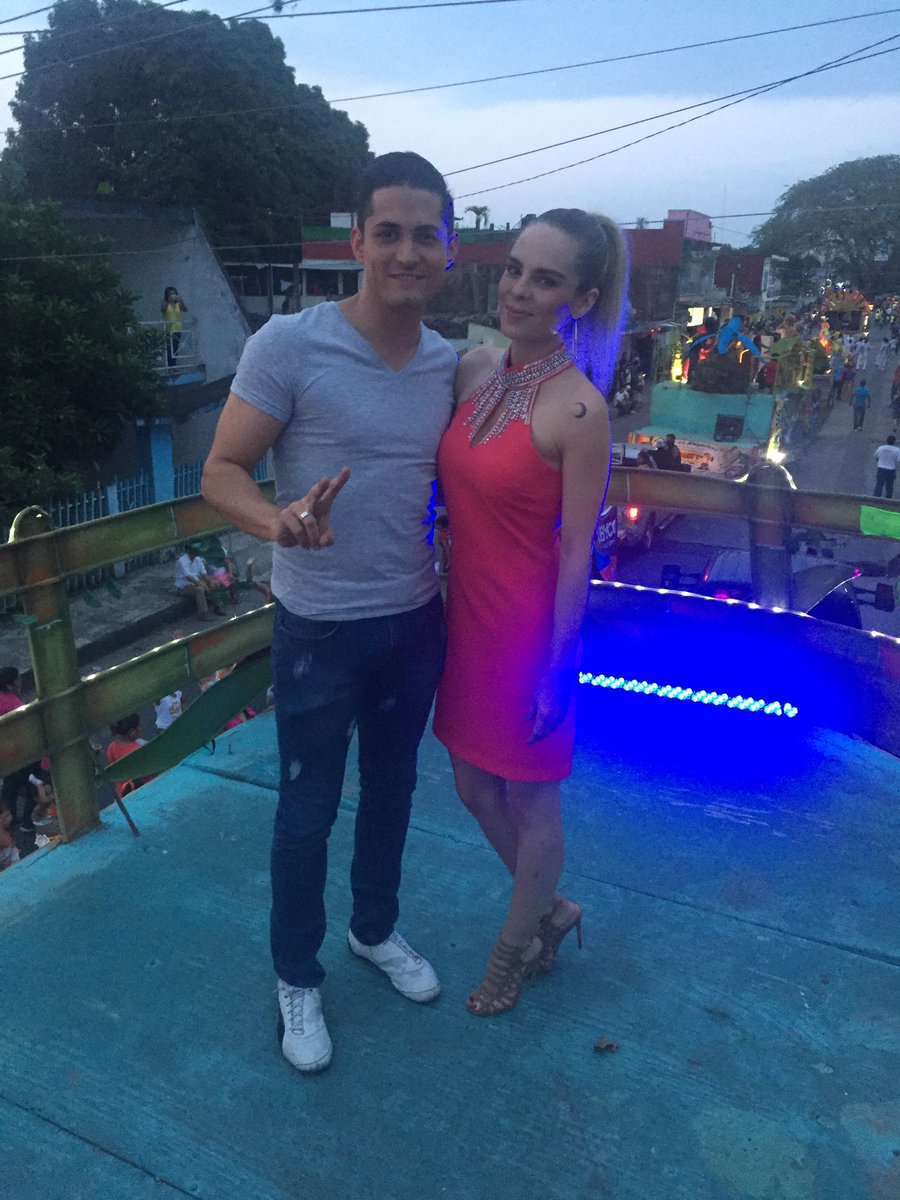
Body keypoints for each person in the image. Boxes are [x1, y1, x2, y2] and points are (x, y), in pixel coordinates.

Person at [201, 152, 458, 1074]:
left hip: (415, 619)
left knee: (394, 790)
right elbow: (220, 471)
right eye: (387, 232)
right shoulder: (289, 345)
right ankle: (296, 975)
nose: (405, 252)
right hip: (319, 626)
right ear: (356, 242)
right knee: (307, 810)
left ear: (448, 250)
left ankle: (373, 928)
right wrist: (277, 521)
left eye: (424, 235)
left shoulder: (448, 364)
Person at [433, 208, 627, 1016]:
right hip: (465, 622)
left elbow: (578, 550)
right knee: (471, 785)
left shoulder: (581, 410)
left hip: (527, 633)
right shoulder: (474, 369)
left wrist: (558, 666)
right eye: (514, 268)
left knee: (530, 797)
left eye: (545, 279)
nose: (517, 289)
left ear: (580, 300)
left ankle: (512, 956)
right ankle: (552, 909)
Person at [174, 543, 223, 620]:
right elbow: (189, 577)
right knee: (200, 589)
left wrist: (210, 581)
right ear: (188, 550)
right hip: (184, 586)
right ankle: (203, 615)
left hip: (197, 581)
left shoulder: (198, 559)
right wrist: (203, 585)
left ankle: (217, 607)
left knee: (215, 583)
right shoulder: (181, 561)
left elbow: (204, 574)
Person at [161, 286, 187, 368]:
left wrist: (181, 301)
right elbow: (163, 310)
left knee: (175, 348)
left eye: (174, 294)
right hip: (169, 329)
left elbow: (185, 309)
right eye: (171, 294)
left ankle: (174, 366)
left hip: (178, 328)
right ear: (167, 295)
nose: (173, 295)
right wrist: (168, 301)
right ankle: (170, 367)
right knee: (169, 348)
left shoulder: (178, 303)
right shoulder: (165, 303)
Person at [874, 434, 900, 498]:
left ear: (887, 441)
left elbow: (876, 457)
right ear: (894, 442)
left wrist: (880, 462)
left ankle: (876, 499)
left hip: (881, 469)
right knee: (889, 487)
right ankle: (888, 499)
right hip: (891, 470)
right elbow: (898, 460)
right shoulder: (897, 450)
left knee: (879, 485)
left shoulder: (881, 448)